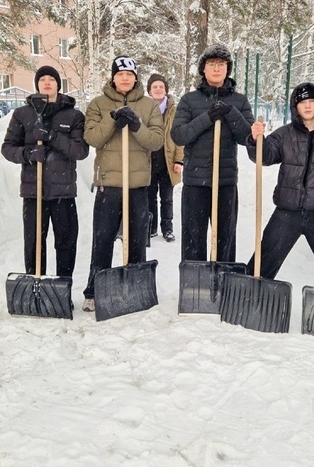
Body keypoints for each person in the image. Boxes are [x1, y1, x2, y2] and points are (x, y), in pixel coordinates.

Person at [246, 82, 314, 290]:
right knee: (265, 258)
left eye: (311, 101)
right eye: (302, 102)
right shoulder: (284, 134)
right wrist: (255, 140)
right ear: (295, 107)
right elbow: (265, 156)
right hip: (288, 210)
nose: (307, 106)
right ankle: (250, 296)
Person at [82, 56, 165, 312]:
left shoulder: (149, 105)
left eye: (129, 74)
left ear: (136, 77)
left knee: (138, 239)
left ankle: (135, 287)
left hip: (138, 184)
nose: (125, 78)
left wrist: (136, 125)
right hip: (109, 183)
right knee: (103, 239)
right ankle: (94, 291)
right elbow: (92, 138)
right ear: (113, 77)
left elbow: (156, 141)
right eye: (120, 74)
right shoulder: (98, 104)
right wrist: (113, 120)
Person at [1, 65, 89, 278]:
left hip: (63, 192)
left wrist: (52, 137)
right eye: (42, 79)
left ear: (58, 84)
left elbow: (80, 150)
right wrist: (30, 153)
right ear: (37, 84)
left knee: (66, 242)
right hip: (34, 192)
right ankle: (35, 286)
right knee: (33, 242)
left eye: (51, 78)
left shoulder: (73, 115)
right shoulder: (23, 114)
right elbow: (7, 148)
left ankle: (62, 286)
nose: (47, 82)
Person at [170, 44, 254, 262]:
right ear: (203, 69)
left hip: (225, 182)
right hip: (196, 183)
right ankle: (194, 285)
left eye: (221, 64)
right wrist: (208, 117)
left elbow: (248, 137)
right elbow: (179, 135)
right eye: (211, 64)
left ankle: (223, 283)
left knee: (225, 239)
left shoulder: (239, 101)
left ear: (228, 69)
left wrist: (231, 113)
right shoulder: (189, 100)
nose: (216, 68)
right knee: (193, 239)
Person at [146, 73, 184, 242]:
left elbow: (179, 138)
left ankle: (167, 228)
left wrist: (179, 160)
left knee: (167, 198)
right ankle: (151, 227)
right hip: (148, 161)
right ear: (149, 91)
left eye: (161, 87)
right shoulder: (145, 109)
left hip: (168, 162)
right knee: (150, 196)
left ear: (166, 90)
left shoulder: (174, 111)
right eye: (155, 87)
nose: (158, 89)